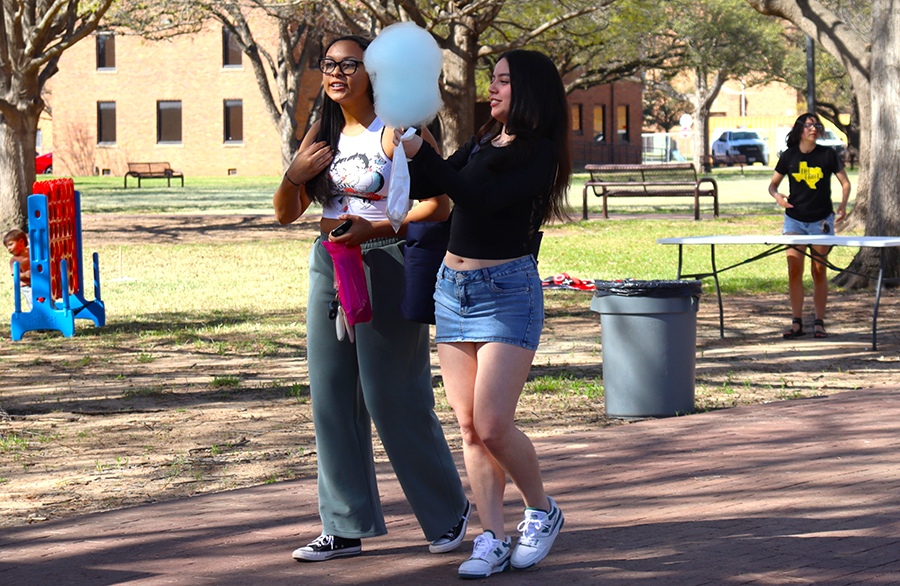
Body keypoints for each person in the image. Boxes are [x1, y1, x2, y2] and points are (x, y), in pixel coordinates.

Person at [272, 35, 470, 563]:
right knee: (331, 395)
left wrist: (377, 225)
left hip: (386, 260)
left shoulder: (401, 128)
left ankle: (447, 509)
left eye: (349, 65)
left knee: (391, 393)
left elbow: (440, 205)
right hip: (329, 263)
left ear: (375, 71)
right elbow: (285, 212)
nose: (336, 73)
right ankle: (344, 524)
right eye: (328, 65)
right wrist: (293, 176)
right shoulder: (323, 130)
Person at [397, 49, 571, 579]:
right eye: (491, 80)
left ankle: (542, 510)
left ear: (531, 92)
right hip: (453, 290)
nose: (491, 90)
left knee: (495, 425)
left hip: (506, 293)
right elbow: (435, 187)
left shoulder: (539, 154)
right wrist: (413, 147)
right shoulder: (481, 140)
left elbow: (476, 198)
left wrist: (423, 154)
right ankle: (491, 537)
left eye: (502, 82)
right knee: (470, 428)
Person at [769, 113, 851, 339]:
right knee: (794, 270)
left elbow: (845, 183)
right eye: (808, 125)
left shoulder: (827, 154)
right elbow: (773, 186)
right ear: (799, 130)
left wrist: (843, 205)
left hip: (821, 221)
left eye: (816, 125)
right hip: (794, 220)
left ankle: (819, 322)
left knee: (819, 271)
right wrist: (777, 196)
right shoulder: (789, 156)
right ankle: (797, 323)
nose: (813, 129)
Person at [4, 229, 32, 311]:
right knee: (33, 303)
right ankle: (36, 314)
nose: (9, 249)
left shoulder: (32, 252)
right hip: (27, 286)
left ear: (21, 242)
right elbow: (16, 275)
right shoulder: (14, 260)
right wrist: (24, 275)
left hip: (39, 282)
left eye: (10, 245)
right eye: (7, 247)